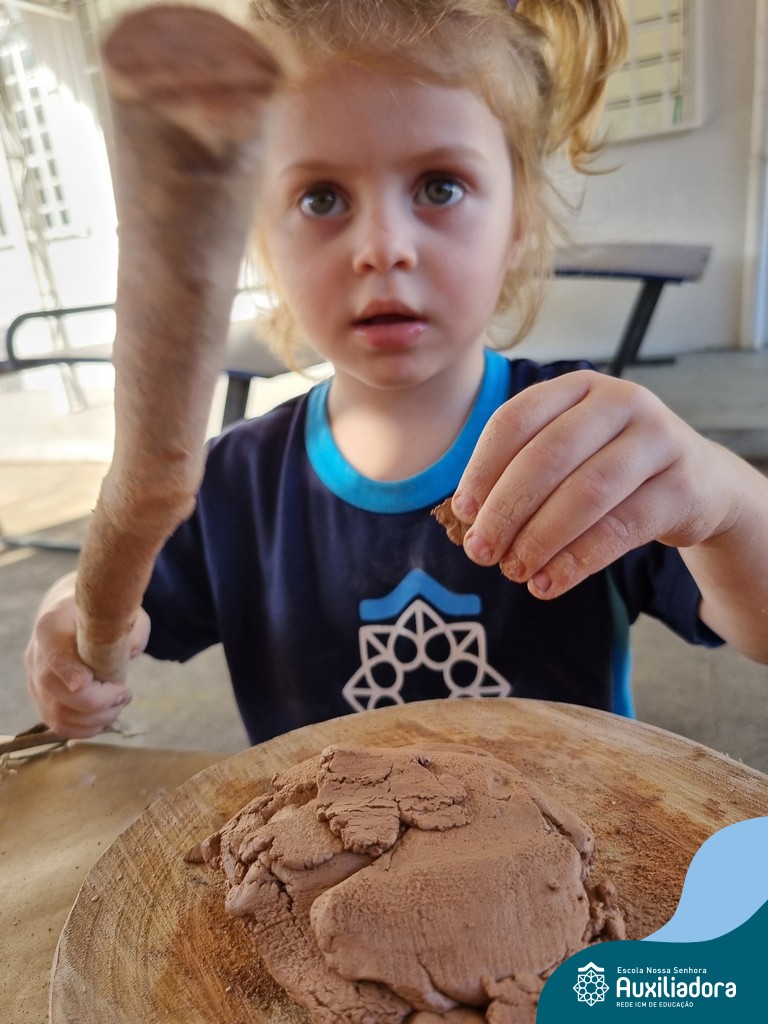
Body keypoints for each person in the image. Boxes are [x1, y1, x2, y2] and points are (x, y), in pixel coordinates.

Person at [26, 0, 768, 745]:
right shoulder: (232, 488)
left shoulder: (585, 444)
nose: (382, 247)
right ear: (265, 242)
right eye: (321, 198)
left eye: (439, 186)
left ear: (517, 223)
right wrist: (66, 619)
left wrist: (725, 503)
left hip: (571, 820)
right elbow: (120, 606)